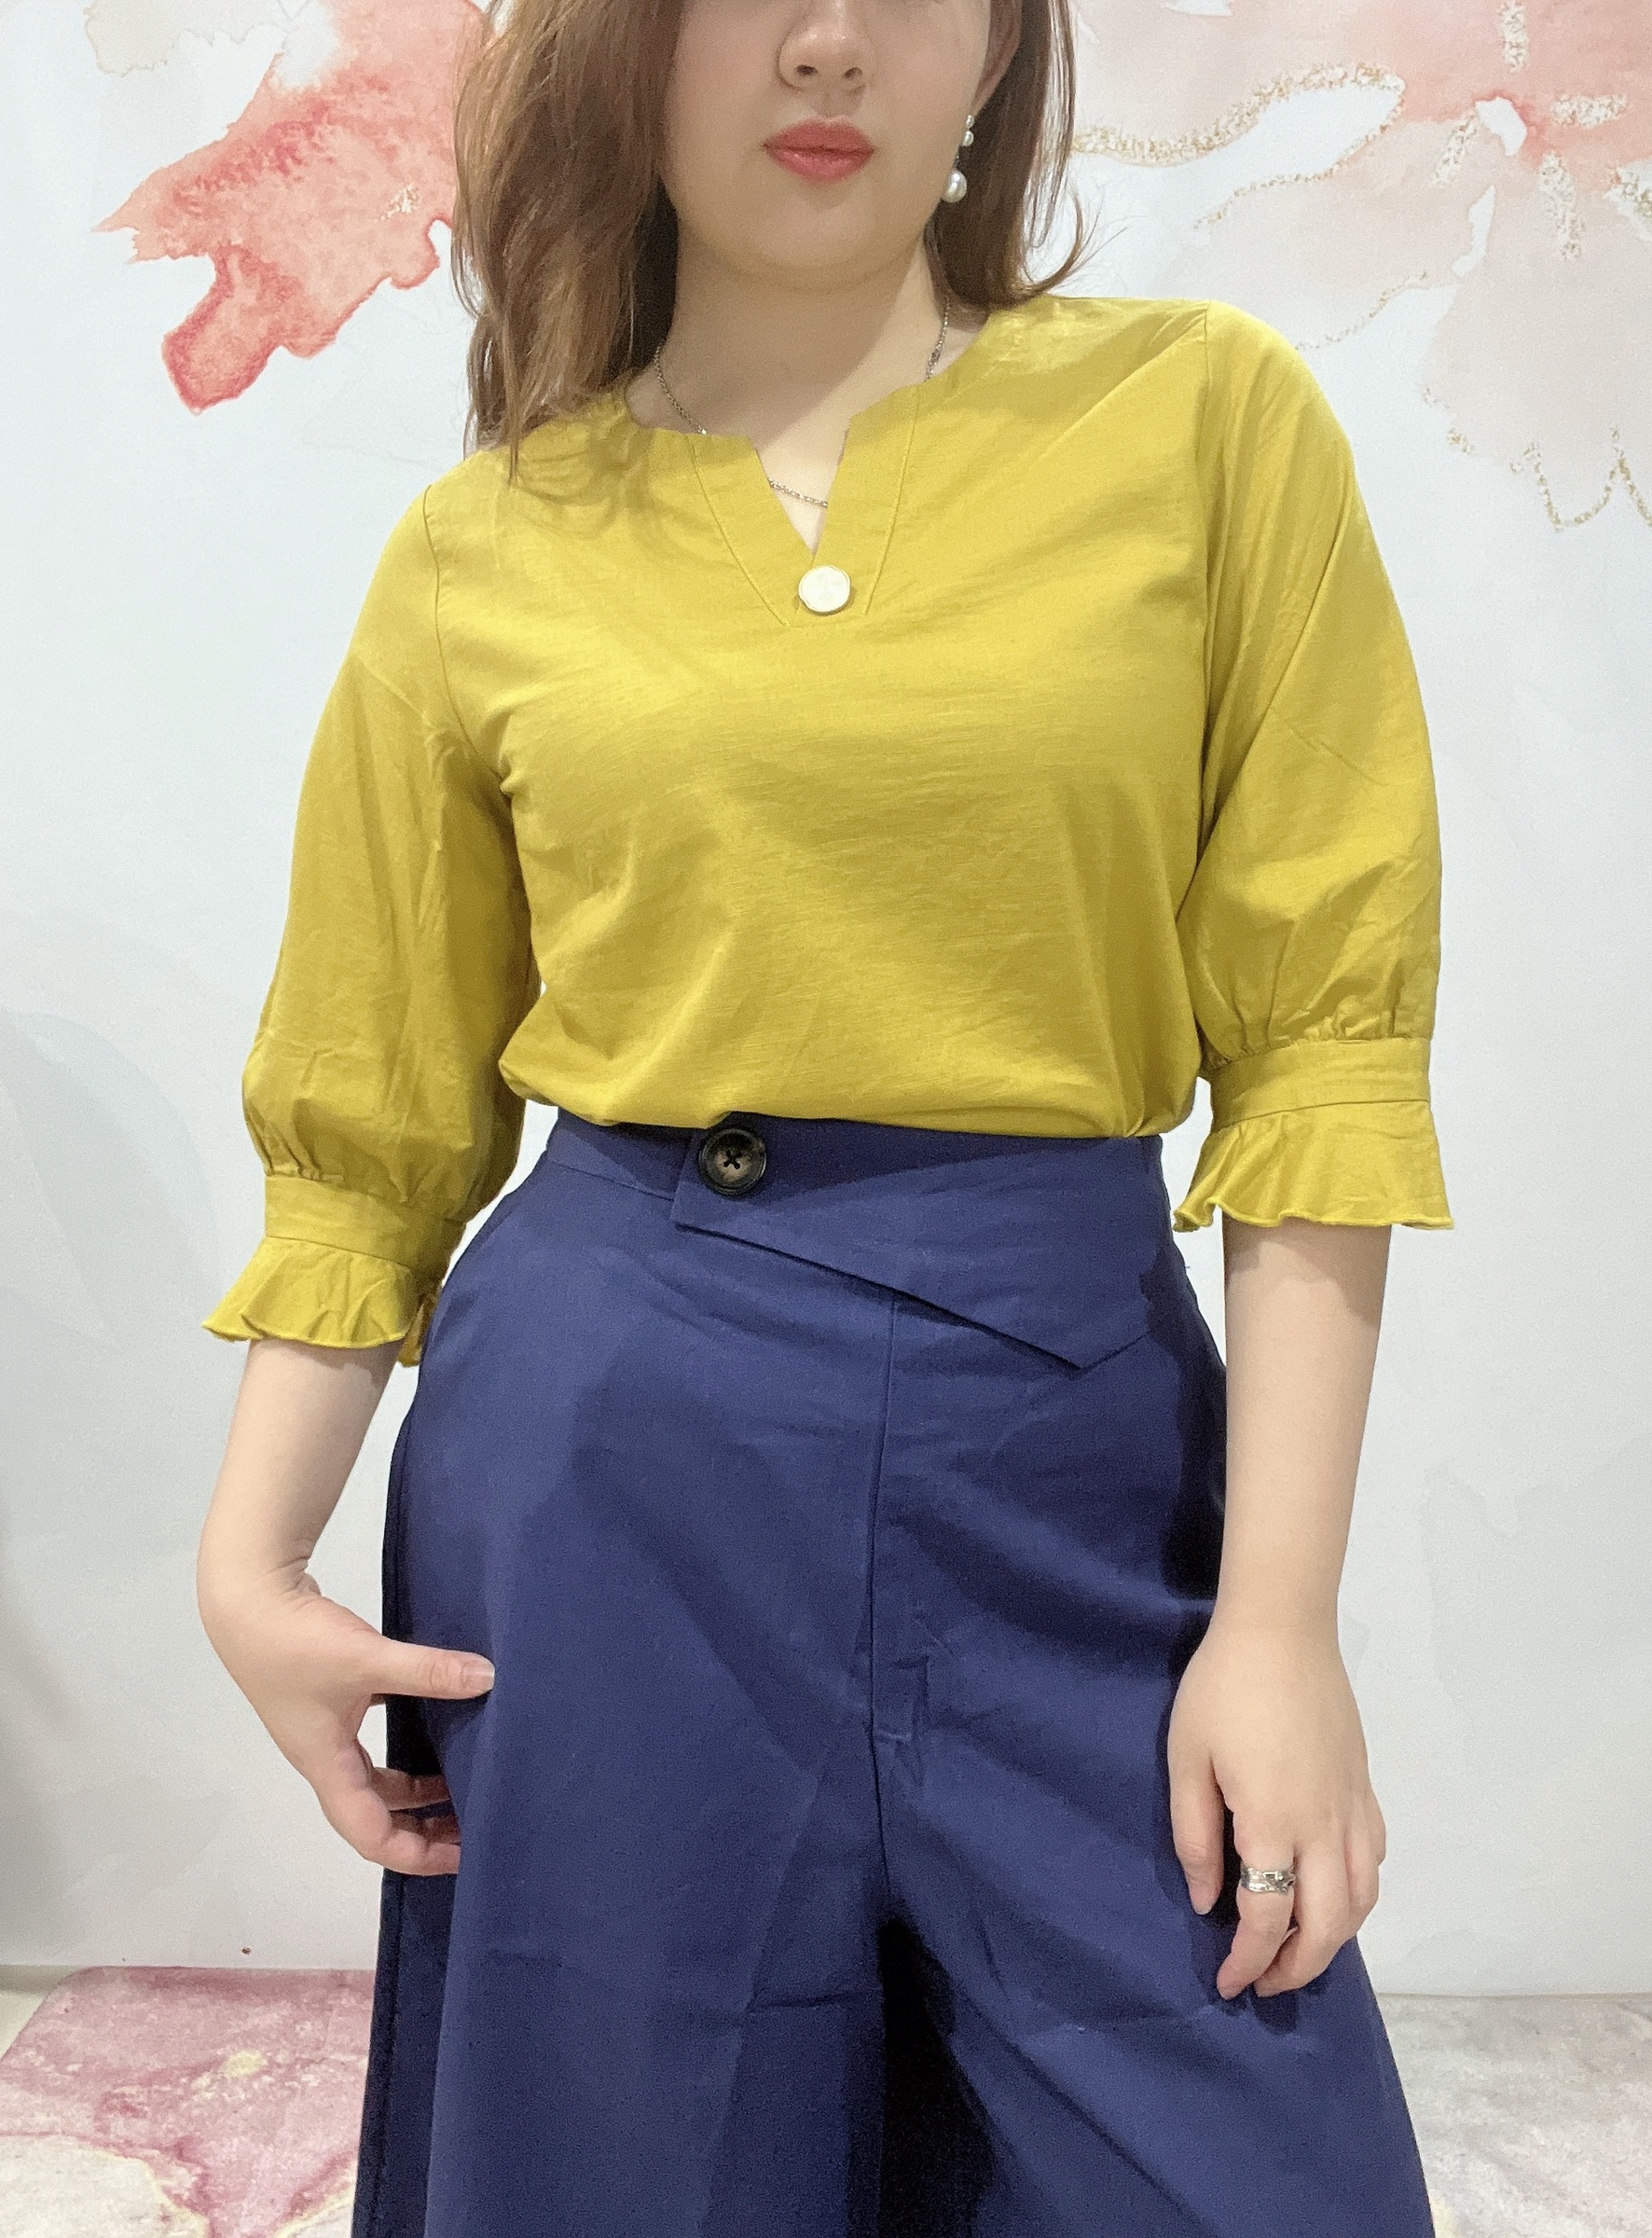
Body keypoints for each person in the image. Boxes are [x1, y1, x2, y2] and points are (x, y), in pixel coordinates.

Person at [196, 1, 1453, 2232]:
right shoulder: (490, 544)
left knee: (1261, 2175)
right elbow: (371, 1123)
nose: (828, 42)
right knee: (629, 2172)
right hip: (614, 1470)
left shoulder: (1203, 421)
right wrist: (247, 1560)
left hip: (1070, 1455)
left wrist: (1279, 1625)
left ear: (999, 50)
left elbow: (1322, 1059)